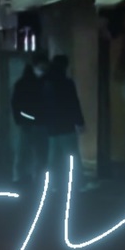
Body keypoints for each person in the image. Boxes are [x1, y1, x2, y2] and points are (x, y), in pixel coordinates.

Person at [40, 54, 85, 190]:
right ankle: (76, 183)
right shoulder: (67, 83)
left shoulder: (45, 82)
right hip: (66, 126)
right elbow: (74, 103)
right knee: (72, 155)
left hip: (52, 127)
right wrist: (79, 121)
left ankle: (51, 184)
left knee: (53, 158)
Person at [11, 54, 49, 184]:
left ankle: (24, 176)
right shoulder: (38, 83)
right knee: (32, 152)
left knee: (29, 152)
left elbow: (15, 104)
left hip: (32, 122)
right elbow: (16, 104)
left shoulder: (24, 82)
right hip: (32, 123)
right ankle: (31, 177)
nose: (43, 69)